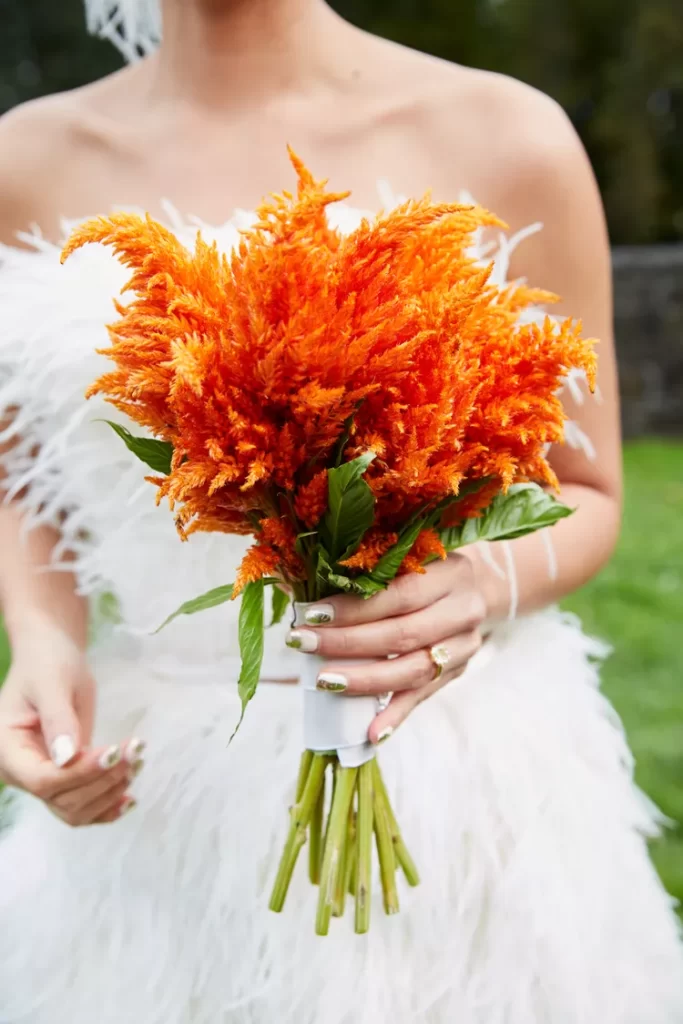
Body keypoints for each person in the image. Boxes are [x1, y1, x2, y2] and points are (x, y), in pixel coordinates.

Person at [0, 1, 681, 1022]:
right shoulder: (26, 158)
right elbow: (23, 473)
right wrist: (44, 645)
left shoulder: (508, 134)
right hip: (151, 789)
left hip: (451, 771)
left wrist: (469, 585)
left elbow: (585, 492)